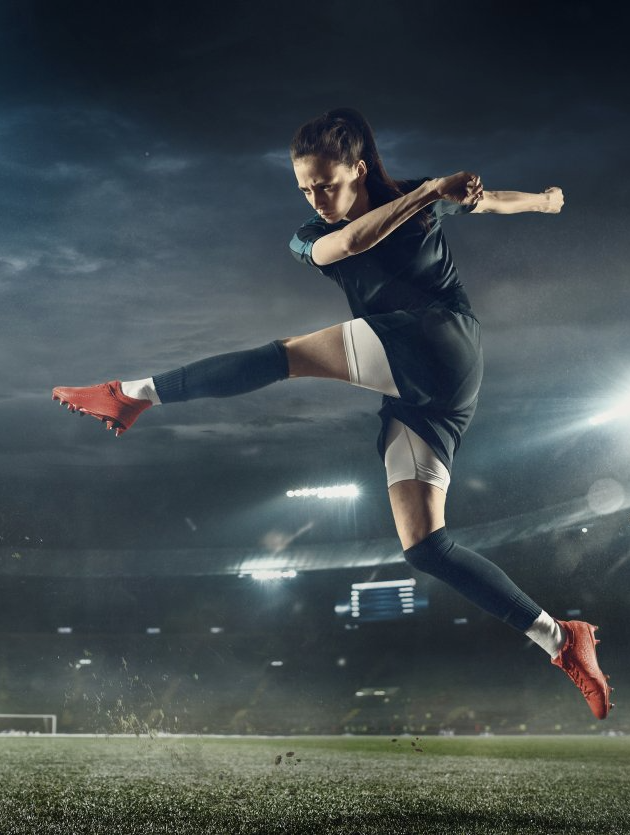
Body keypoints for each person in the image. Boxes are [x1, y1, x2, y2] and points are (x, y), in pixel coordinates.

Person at [52, 108, 613, 720]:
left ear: (358, 169)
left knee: (283, 357)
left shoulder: (415, 198)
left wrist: (545, 201)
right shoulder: (314, 235)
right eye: (304, 187)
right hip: (423, 391)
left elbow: (492, 201)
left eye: (326, 182)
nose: (316, 197)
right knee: (425, 547)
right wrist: (431, 190)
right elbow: (351, 243)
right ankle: (560, 639)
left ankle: (131, 392)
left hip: (438, 340)